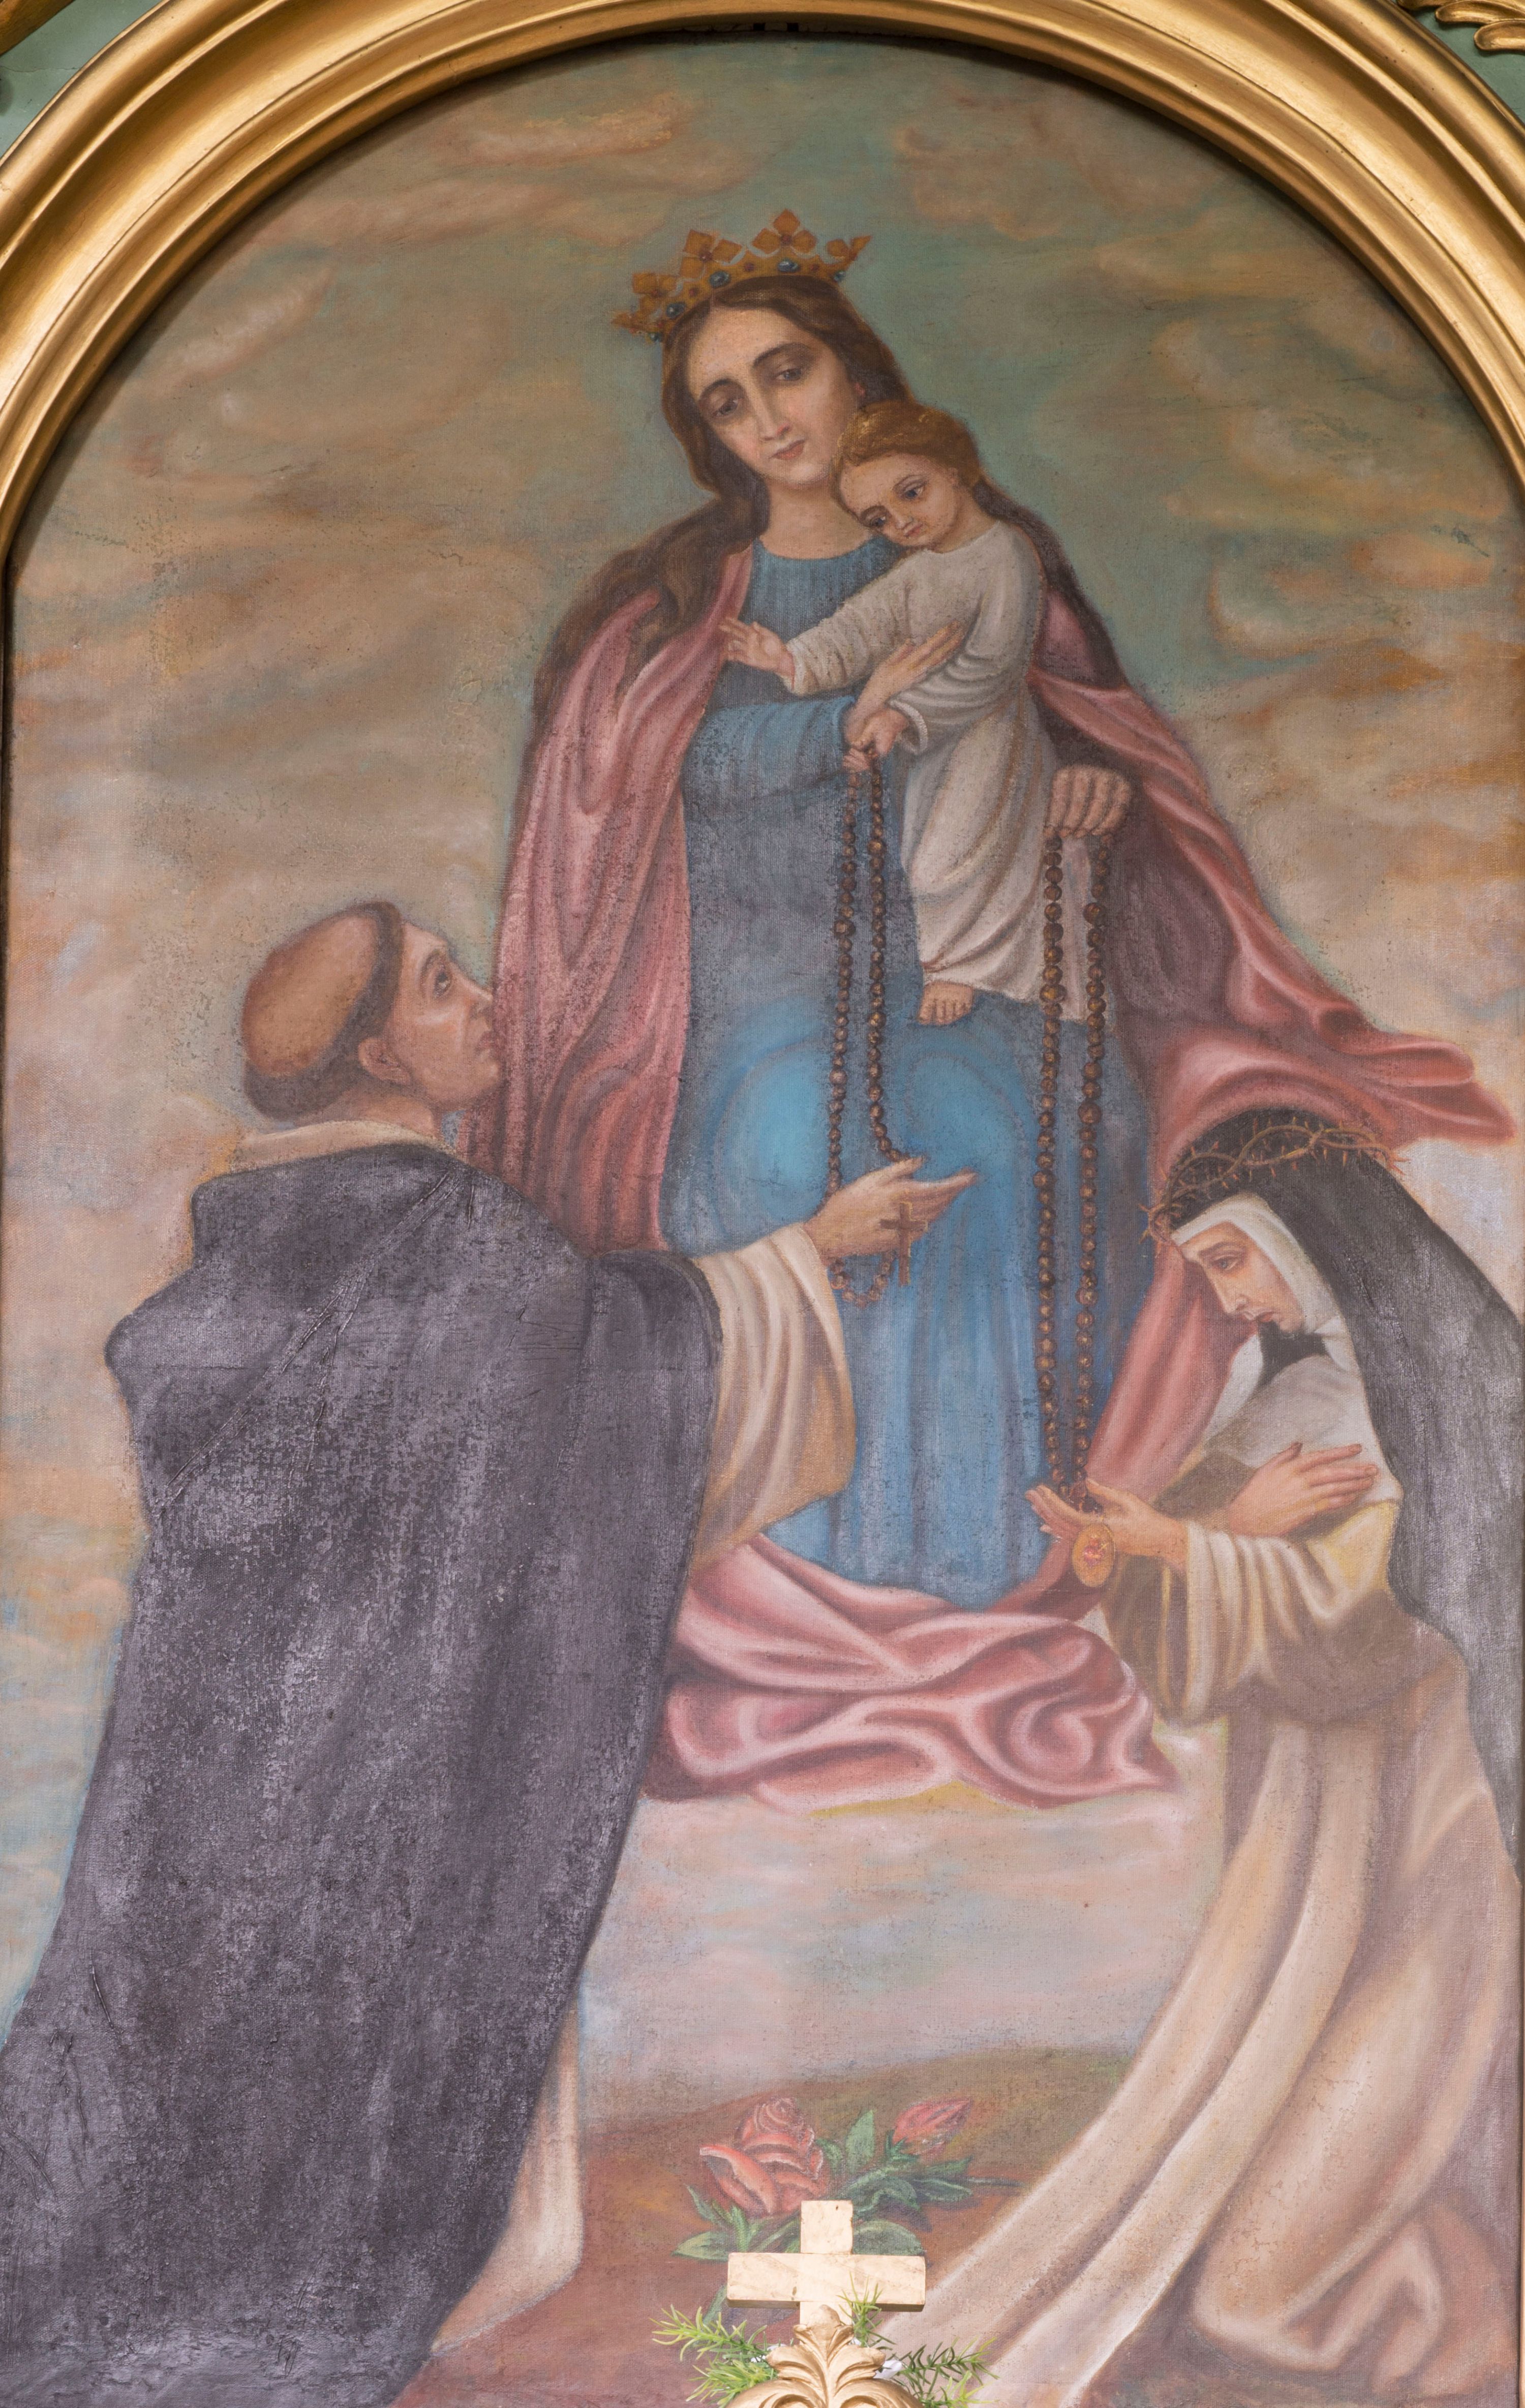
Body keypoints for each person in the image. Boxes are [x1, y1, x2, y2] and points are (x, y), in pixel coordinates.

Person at [472, 219, 1511, 1807]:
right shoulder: (680, 606)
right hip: (749, 997)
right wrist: (831, 737)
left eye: (788, 373)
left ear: (853, 371)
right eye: (729, 404)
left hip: (987, 963)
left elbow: (1085, 742)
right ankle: (817, 1602)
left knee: (1010, 1124)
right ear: (706, 439)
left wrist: (1091, 790)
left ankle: (1012, 1573)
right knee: (791, 1132)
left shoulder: (975, 550)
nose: (770, 421)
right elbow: (638, 789)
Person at [0, 899, 972, 2408]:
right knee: (356, 2135)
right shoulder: (451, 1245)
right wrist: (810, 1257)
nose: (484, 1003)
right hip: (387, 1788)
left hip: (206, 1796)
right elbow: (616, 1378)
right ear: (383, 1054)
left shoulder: (256, 1247)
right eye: (444, 988)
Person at [903, 1112, 1521, 2408]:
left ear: (1314, 1231)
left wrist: (1194, 1547)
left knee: (1271, 2266)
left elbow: (1383, 1626)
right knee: (1259, 2101)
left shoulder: (1456, 1383)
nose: (1229, 1304)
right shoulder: (1297, 1392)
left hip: (1439, 1815)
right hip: (1309, 1823)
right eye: (1210, 1275)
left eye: (1233, 1264)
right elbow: (1185, 1583)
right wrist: (1155, 1539)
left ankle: (1440, 2303)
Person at [721, 399, 1076, 1030]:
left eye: (912, 492)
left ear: (954, 469)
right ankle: (952, 962)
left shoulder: (1006, 552)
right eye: (879, 518)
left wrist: (905, 713)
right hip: (928, 746)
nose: (903, 521)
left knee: (960, 856)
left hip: (991, 741)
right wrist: (790, 659)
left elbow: (994, 668)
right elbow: (860, 627)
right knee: (923, 856)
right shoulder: (919, 573)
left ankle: (969, 966)